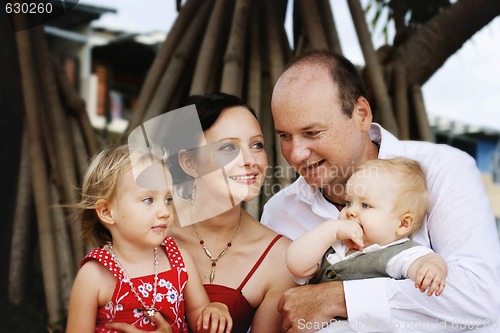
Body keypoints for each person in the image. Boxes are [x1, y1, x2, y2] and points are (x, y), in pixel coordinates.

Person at [261, 51, 500, 332]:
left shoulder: (441, 170)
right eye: (284, 137)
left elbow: (480, 297)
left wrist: (339, 299)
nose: (297, 153)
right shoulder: (280, 212)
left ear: (361, 114)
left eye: (312, 133)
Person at [108, 92, 297, 333]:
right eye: (229, 147)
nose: (250, 160)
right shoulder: (149, 225)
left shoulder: (279, 259)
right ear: (189, 163)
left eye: (256, 145)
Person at [66, 144, 232, 333]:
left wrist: (214, 310)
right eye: (148, 200)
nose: (164, 212)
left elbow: (199, 318)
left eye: (168, 199)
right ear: (107, 212)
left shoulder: (178, 260)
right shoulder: (93, 276)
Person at [287, 158, 447, 298]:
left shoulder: (399, 254)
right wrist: (330, 230)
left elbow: (425, 261)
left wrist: (432, 268)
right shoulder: (334, 243)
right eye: (348, 202)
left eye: (365, 205)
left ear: (403, 224)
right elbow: (297, 265)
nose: (351, 211)